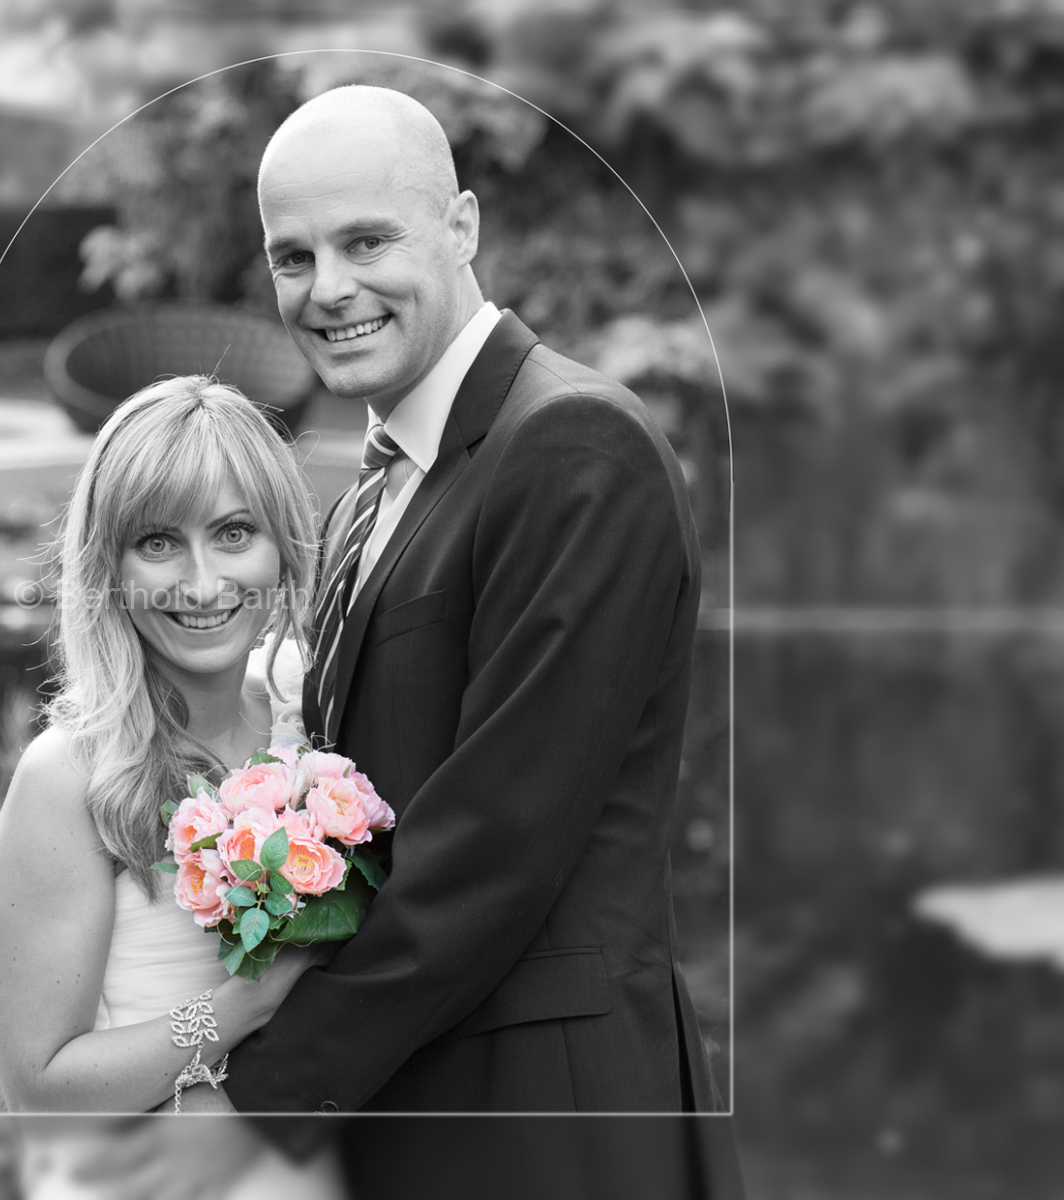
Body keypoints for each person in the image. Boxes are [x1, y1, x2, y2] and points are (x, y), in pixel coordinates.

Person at [69, 82, 746, 1199]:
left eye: (367, 241)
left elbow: (496, 840)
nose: (329, 289)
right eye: (293, 258)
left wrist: (257, 1100)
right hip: (416, 1105)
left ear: (461, 225)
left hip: (539, 1118)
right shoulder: (369, 497)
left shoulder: (572, 447)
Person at [0, 376, 349, 1198]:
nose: (203, 582)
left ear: (283, 544)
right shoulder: (69, 776)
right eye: (157, 542)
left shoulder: (310, 714)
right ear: (107, 566)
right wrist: (245, 1003)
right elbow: (40, 1092)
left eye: (233, 533)